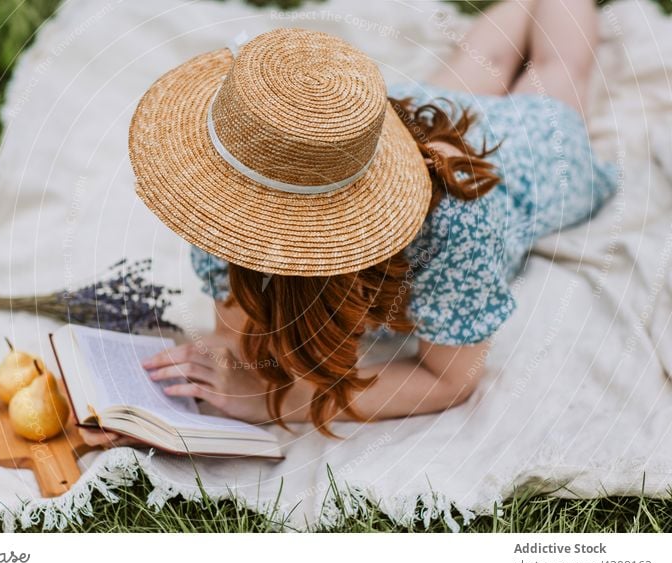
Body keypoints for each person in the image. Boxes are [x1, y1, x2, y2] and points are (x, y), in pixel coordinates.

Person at [83, 0, 616, 447]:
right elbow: (236, 333)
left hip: (514, 159)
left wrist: (276, 401)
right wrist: (186, 395)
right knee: (484, 59)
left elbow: (450, 380)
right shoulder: (231, 185)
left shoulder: (457, 226)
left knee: (554, 73)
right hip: (408, 128)